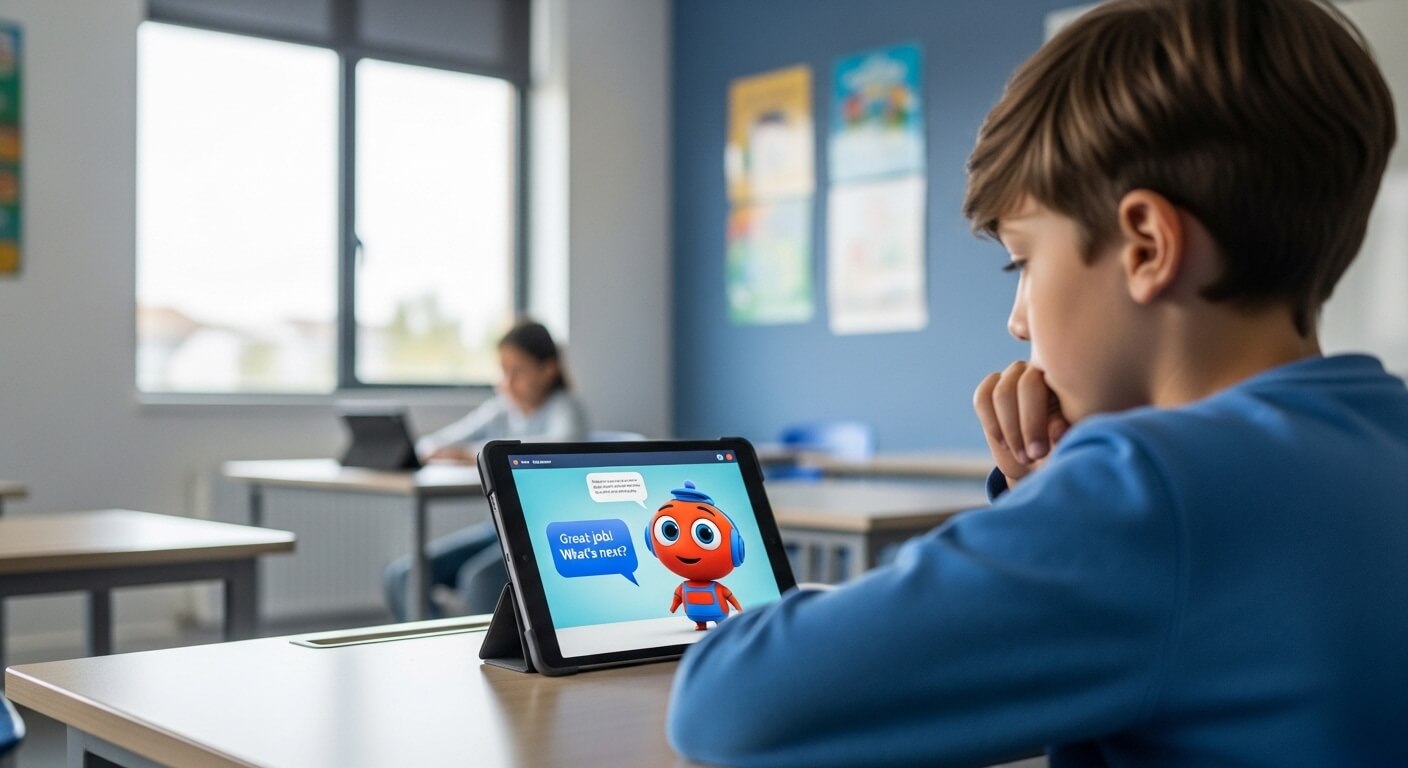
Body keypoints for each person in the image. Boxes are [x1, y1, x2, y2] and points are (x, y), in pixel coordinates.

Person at [667, 1, 1407, 766]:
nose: (1018, 320)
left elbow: (728, 707)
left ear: (1147, 247)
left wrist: (1074, 501)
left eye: (1020, 262)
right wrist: (1046, 496)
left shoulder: (1153, 494)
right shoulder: (1385, 436)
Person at [383, 319, 588, 621]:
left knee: (478, 581)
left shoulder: (566, 408)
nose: (506, 381)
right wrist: (435, 451)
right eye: (503, 371)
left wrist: (470, 454)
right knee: (403, 577)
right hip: (496, 530)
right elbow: (435, 443)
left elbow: (558, 446)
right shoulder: (501, 410)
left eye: (517, 371)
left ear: (548, 369)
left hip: (542, 533)